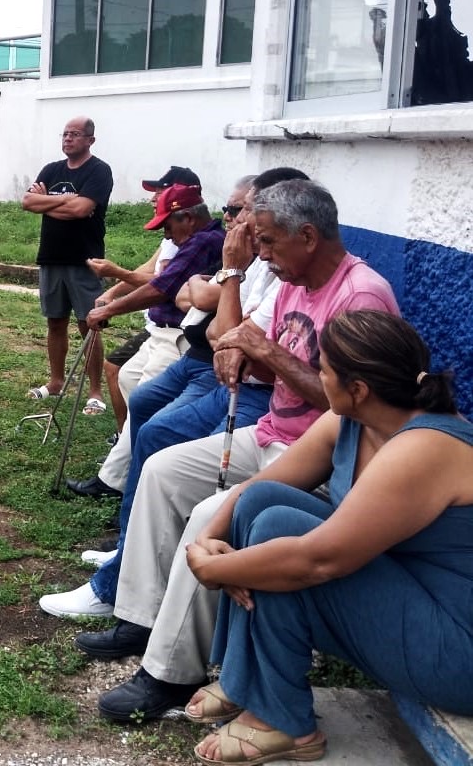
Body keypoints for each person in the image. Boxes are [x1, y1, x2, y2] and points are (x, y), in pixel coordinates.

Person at [77, 179, 400, 725]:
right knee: (161, 470)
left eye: (269, 242)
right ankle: (139, 615)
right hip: (272, 432)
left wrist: (264, 351)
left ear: (308, 236)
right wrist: (238, 344)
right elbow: (232, 335)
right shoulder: (292, 279)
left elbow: (351, 404)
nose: (264, 255)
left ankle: (170, 673)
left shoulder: (359, 294)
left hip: (323, 454)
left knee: (210, 516)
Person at [186, 311, 473, 764]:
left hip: (457, 647)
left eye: (324, 370)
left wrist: (214, 569)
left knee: (283, 534)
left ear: (357, 389)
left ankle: (283, 722)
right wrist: (206, 538)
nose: (317, 377)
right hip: (408, 594)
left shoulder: (425, 447)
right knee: (264, 505)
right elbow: (255, 490)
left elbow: (318, 561)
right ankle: (246, 677)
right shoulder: (355, 420)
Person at [41, 169, 305, 619]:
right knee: (142, 403)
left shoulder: (241, 255)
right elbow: (189, 297)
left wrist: (228, 278)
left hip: (240, 389)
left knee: (159, 433)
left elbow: (212, 318)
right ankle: (128, 547)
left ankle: (119, 583)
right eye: (232, 211)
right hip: (211, 363)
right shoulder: (252, 256)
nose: (232, 221)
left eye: (238, 211)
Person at [63, 183, 225, 499]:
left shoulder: (204, 242)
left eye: (168, 224)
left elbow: (160, 287)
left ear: (188, 218)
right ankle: (132, 459)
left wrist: (111, 307)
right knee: (127, 377)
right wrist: (111, 298)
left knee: (145, 402)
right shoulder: (194, 239)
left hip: (180, 339)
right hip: (161, 331)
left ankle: (113, 480)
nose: (165, 234)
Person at [88, 165, 202, 435]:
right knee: (120, 371)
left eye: (160, 192)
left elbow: (161, 285)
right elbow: (148, 270)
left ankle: (131, 440)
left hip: (174, 331)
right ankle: (124, 436)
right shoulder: (171, 236)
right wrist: (111, 292)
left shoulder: (191, 240)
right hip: (156, 326)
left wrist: (115, 278)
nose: (153, 199)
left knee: (137, 386)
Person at [21, 116, 113, 414]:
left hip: (84, 260)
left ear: (90, 140)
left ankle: (96, 392)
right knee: (55, 321)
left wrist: (47, 202)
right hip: (51, 258)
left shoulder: (99, 171)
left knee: (90, 325)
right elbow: (27, 203)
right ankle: (56, 381)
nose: (68, 139)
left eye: (75, 134)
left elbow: (83, 209)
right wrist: (64, 202)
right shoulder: (52, 169)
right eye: (65, 134)